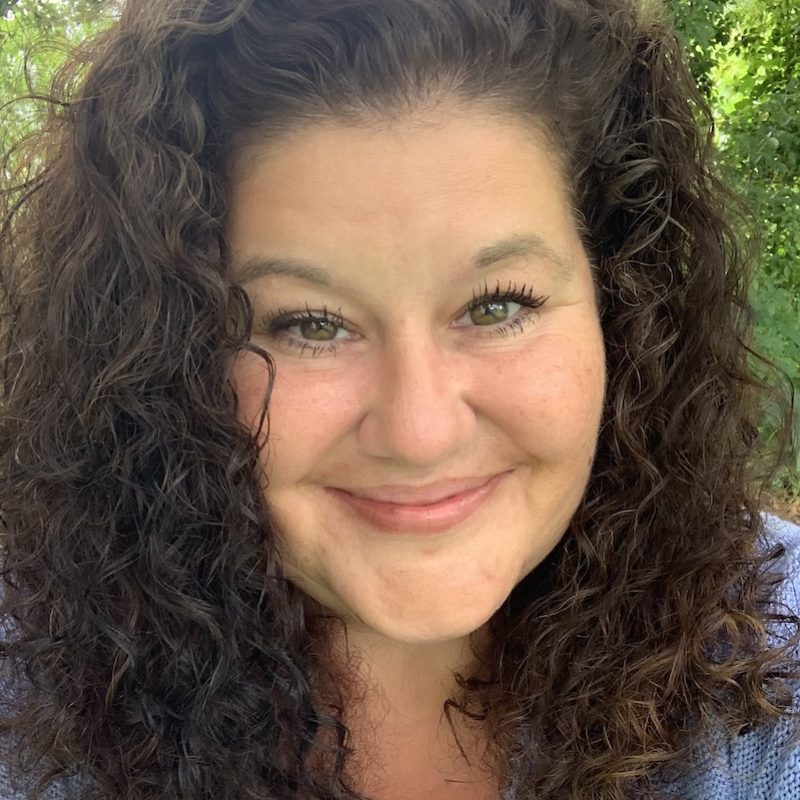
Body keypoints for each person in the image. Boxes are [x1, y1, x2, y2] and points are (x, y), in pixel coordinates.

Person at [0, 0, 798, 798]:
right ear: (162, 354)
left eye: (498, 306)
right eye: (310, 324)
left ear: (622, 310)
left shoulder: (780, 657)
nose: (420, 432)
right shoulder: (28, 695)